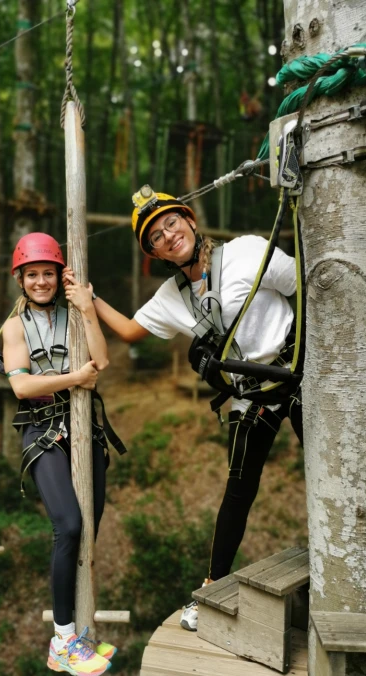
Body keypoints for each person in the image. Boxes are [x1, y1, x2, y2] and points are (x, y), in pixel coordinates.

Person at [84, 186, 304, 631]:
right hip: (252, 396)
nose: (168, 236)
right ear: (154, 253)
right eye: (155, 238)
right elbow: (129, 331)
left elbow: (304, 287)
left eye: (171, 224)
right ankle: (211, 590)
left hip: (296, 375)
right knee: (237, 493)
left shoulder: (247, 251)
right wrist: (88, 301)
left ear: (189, 220)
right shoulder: (171, 296)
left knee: (328, 467)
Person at [0, 232, 122, 676]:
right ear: (21, 279)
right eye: (32, 274)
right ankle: (63, 639)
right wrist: (73, 378)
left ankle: (77, 635)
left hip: (83, 427)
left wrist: (87, 307)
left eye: (47, 273)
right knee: (67, 526)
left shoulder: (73, 316)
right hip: (42, 430)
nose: (40, 281)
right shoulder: (15, 327)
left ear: (58, 275)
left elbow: (102, 362)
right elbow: (22, 385)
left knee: (87, 528)